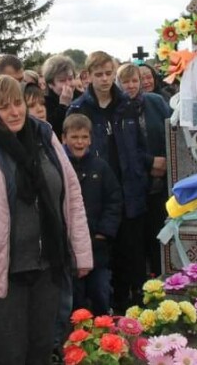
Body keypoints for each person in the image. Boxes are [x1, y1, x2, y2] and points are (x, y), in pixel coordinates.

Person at [0, 75, 92, 365]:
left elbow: (71, 195)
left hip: (47, 265)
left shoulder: (43, 136)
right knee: (7, 355)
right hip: (2, 271)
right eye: (3, 107)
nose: (14, 112)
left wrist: (80, 252)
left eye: (17, 103)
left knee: (40, 350)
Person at [68, 51, 149, 311]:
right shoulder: (80, 108)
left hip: (129, 189)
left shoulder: (128, 104)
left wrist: (141, 171)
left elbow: (138, 144)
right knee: (101, 260)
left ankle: (130, 309)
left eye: (108, 73)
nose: (104, 79)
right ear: (88, 76)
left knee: (130, 256)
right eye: (98, 74)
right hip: (96, 192)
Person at [63, 113, 122, 315]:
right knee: (75, 299)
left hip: (97, 246)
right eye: (74, 137)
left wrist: (103, 233)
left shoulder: (100, 167)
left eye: (84, 137)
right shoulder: (59, 166)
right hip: (69, 248)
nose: (79, 142)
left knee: (100, 292)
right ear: (64, 138)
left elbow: (114, 201)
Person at [115, 63, 170, 277]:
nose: (131, 86)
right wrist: (149, 162)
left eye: (134, 80)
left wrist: (165, 161)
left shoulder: (155, 101)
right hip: (134, 186)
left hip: (160, 183)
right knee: (137, 246)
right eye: (126, 81)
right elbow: (123, 146)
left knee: (159, 240)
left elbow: (169, 132)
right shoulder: (117, 108)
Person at [42, 54, 81, 133]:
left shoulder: (82, 97)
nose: (68, 84)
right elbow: (52, 130)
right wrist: (63, 105)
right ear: (50, 84)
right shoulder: (44, 102)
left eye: (70, 79)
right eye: (62, 80)